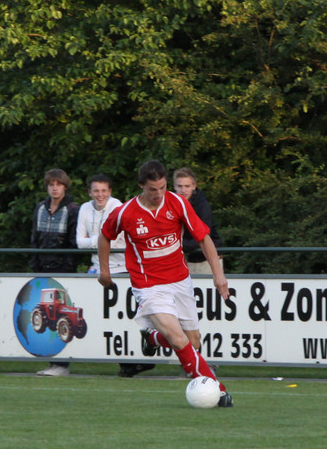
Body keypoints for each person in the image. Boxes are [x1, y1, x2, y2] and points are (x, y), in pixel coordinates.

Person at [99, 159, 234, 407]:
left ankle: (152, 338)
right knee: (178, 339)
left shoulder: (178, 203)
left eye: (162, 187)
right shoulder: (126, 212)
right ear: (141, 186)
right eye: (153, 189)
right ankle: (218, 391)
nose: (159, 194)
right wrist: (104, 271)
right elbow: (105, 236)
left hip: (180, 281)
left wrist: (219, 275)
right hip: (148, 285)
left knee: (192, 342)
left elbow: (204, 238)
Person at [78, 173, 144, 378]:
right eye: (96, 191)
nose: (100, 195)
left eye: (104, 191)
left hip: (121, 269)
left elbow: (115, 240)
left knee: (124, 317)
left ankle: (136, 361)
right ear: (90, 192)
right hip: (97, 270)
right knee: (103, 318)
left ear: (110, 192)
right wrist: (101, 239)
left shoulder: (117, 207)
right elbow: (79, 242)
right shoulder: (84, 208)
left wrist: (96, 240)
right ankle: (126, 363)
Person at [30, 168, 79, 376]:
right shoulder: (40, 208)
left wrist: (67, 269)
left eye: (58, 184)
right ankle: (53, 363)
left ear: (65, 186)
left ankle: (62, 365)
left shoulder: (73, 209)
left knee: (62, 318)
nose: (55, 188)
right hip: (42, 269)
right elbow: (34, 239)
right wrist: (35, 265)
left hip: (63, 271)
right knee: (48, 319)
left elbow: (73, 243)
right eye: (51, 184)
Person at [172, 167, 223, 275]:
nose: (183, 190)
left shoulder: (202, 206)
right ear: (174, 186)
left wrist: (178, 246)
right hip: (183, 260)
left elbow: (204, 236)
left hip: (206, 260)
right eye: (180, 186)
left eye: (187, 186)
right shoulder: (170, 205)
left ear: (194, 186)